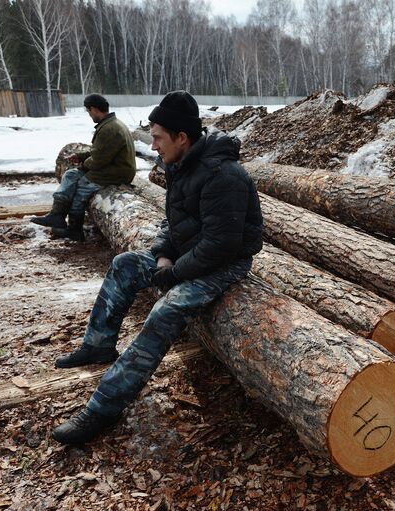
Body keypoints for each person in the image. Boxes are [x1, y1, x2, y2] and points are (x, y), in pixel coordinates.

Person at [51, 91, 263, 445]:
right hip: (190, 254)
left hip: (225, 263)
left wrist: (174, 273)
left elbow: (221, 245)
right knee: (125, 264)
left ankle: (104, 406)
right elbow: (174, 222)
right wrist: (164, 254)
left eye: (158, 137)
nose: (152, 145)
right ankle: (99, 344)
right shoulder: (182, 164)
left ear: (182, 137)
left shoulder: (223, 175)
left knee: (167, 308)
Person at [31, 93, 136, 241]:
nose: (89, 115)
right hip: (112, 167)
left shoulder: (109, 128)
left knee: (80, 187)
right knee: (70, 175)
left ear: (93, 109)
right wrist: (81, 156)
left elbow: (99, 161)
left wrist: (84, 164)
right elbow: (99, 152)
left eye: (88, 111)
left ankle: (75, 230)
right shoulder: (110, 124)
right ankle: (57, 215)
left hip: (116, 172)